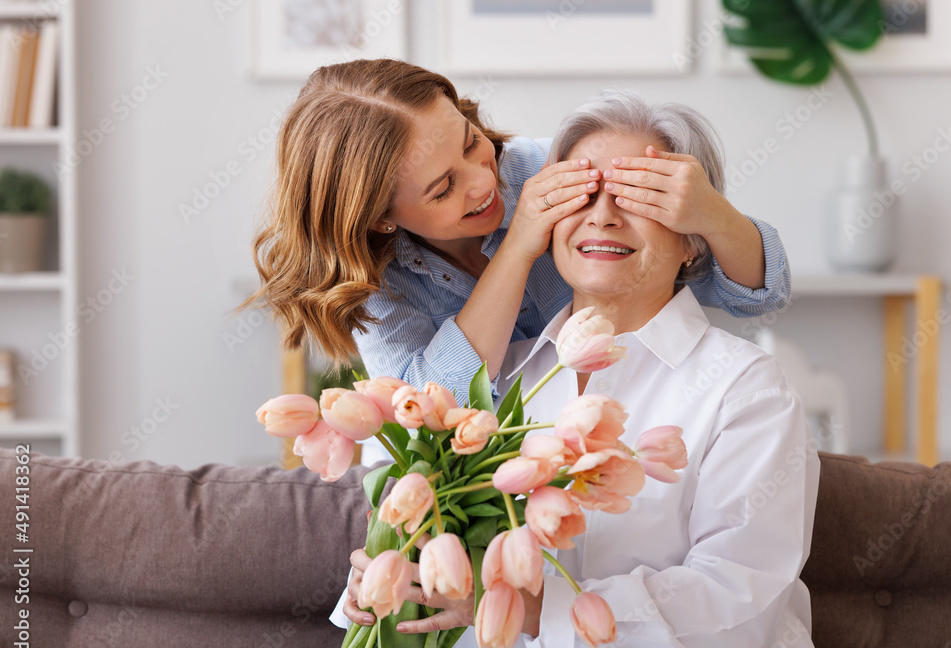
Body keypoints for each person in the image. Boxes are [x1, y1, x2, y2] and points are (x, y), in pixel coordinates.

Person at [337, 91, 823, 648]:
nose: (602, 215)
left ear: (694, 232)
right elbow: (413, 440)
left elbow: (737, 606)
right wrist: (389, 572)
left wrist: (539, 610)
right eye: (582, 194)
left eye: (636, 196)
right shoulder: (494, 385)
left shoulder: (744, 391)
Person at [241, 59, 792, 405]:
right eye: (442, 189)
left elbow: (757, 294)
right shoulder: (374, 280)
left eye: (470, 141)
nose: (484, 182)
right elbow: (425, 410)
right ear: (380, 218)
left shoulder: (542, 170)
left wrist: (712, 215)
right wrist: (521, 246)